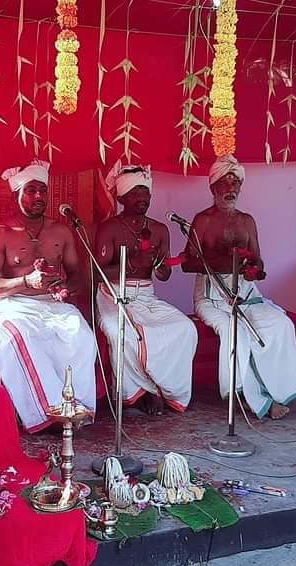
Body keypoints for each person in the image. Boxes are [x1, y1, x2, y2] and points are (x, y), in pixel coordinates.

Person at [181, 156, 296, 420]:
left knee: (280, 324)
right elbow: (188, 263)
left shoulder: (247, 221)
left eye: (235, 183)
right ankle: (246, 396)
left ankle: (277, 389)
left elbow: (258, 260)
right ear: (213, 188)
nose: (231, 189)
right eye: (225, 183)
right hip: (212, 297)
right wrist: (226, 262)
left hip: (248, 294)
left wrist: (255, 270)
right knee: (235, 332)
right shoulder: (202, 220)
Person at [0, 160, 97, 432]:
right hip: (13, 307)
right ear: (16, 194)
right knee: (24, 340)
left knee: (82, 336)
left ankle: (75, 410)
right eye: (31, 191)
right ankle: (47, 415)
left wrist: (67, 287)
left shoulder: (61, 231)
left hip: (53, 305)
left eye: (43, 191)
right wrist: (25, 281)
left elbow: (78, 273)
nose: (39, 197)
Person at [94, 162, 197, 415]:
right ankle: (137, 394)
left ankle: (165, 390)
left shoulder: (160, 229)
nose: (142, 198)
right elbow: (96, 272)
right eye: (135, 193)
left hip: (147, 295)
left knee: (185, 329)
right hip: (113, 295)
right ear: (121, 197)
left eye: (145, 193)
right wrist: (130, 265)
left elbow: (163, 274)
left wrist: (162, 268)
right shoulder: (110, 228)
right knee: (123, 335)